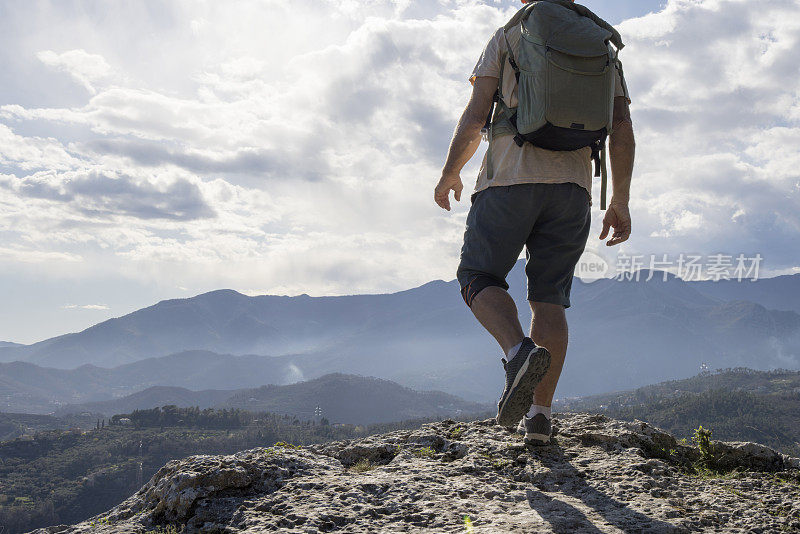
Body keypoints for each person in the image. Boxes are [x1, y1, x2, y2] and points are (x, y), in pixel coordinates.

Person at [434, 0, 635, 445]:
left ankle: (517, 351)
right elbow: (622, 126)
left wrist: (452, 171)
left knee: (478, 275)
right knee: (550, 299)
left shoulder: (510, 34)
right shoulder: (599, 42)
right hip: (574, 187)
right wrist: (619, 199)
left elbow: (475, 117)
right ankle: (540, 419)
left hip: (510, 178)